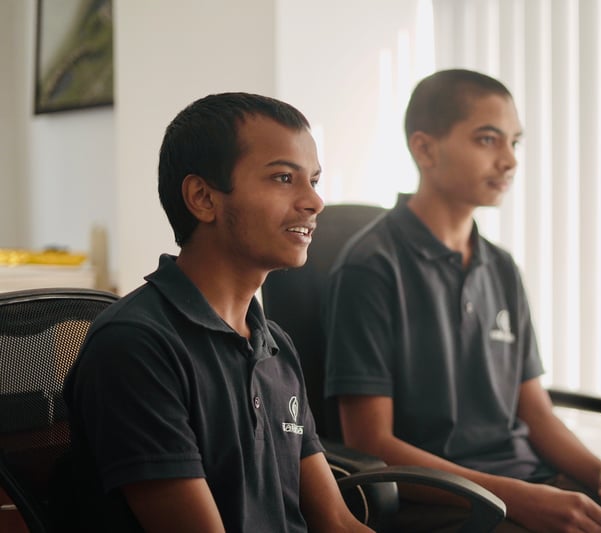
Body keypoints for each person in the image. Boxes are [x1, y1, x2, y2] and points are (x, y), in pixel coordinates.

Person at [323, 69, 601, 532]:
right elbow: (372, 442)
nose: (509, 160)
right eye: (488, 140)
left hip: (528, 482)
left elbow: (535, 412)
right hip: (447, 500)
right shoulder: (371, 267)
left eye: (515, 142)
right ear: (425, 148)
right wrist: (518, 500)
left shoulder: (501, 267)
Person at [64, 92, 372, 532]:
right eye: (284, 178)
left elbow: (337, 523)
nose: (313, 202)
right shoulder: (136, 346)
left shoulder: (274, 346)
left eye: (314, 181)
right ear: (203, 198)